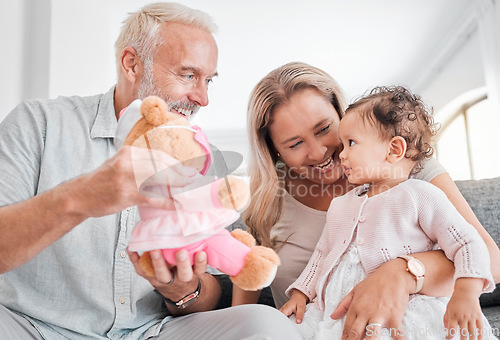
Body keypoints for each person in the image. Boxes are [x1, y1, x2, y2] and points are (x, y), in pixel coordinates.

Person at [0, 3, 300, 339]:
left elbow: (216, 290)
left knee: (266, 325)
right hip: (31, 327)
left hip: (150, 332)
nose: (202, 98)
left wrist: (183, 290)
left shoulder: (204, 157)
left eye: (207, 81)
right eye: (188, 75)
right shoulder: (38, 124)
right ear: (132, 64)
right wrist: (80, 197)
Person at [234, 62, 500, 338]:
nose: (319, 152)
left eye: (324, 128)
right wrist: (301, 292)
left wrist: (402, 272)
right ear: (274, 151)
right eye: (294, 144)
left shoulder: (409, 166)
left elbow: (489, 259)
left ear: (341, 113)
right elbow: (243, 320)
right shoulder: (267, 207)